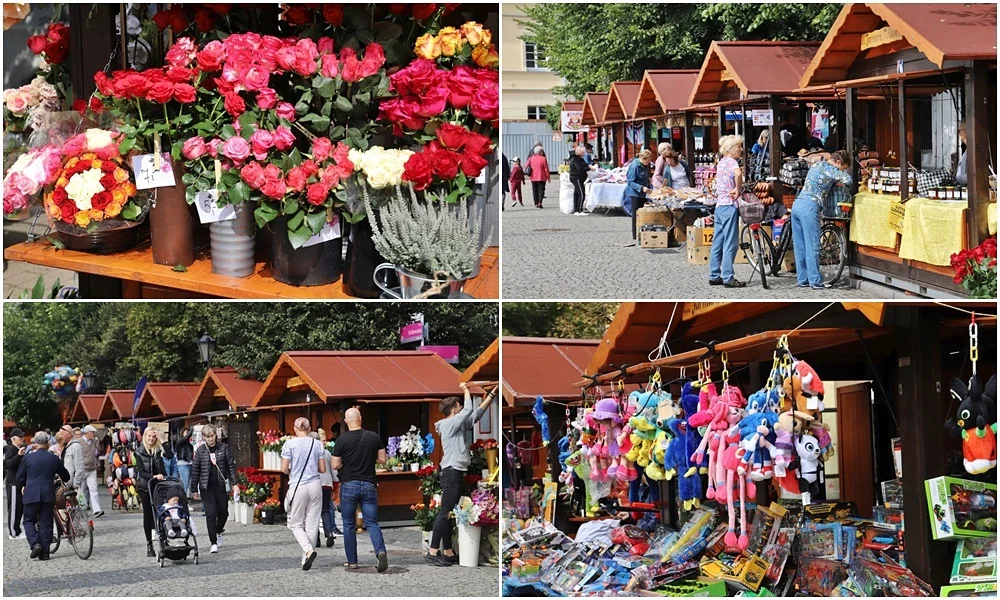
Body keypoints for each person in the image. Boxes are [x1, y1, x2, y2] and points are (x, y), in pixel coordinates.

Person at [425, 384, 496, 567]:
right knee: (445, 512)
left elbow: (475, 414)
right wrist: (465, 390)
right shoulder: (449, 424)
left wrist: (490, 396)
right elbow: (469, 409)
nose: (461, 408)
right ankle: (433, 551)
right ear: (454, 408)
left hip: (454, 471)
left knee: (449, 513)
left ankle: (448, 551)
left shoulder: (457, 425)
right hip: (451, 471)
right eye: (459, 406)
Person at [332, 408, 388, 573]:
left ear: (346, 421)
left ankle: (352, 562)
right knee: (371, 522)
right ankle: (381, 551)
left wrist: (345, 464)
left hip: (349, 484)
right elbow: (383, 459)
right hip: (369, 484)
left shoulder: (341, 440)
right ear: (361, 419)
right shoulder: (373, 437)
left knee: (349, 524)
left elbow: (334, 465)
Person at [792, 150, 853, 289]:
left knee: (800, 246)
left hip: (797, 204)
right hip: (809, 207)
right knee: (813, 245)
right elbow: (848, 180)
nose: (842, 171)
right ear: (838, 162)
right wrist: (840, 180)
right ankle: (815, 281)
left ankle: (803, 279)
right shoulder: (831, 169)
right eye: (843, 168)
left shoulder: (818, 165)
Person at [15, 432, 71, 561]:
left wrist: (26, 484)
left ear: (35, 444)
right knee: (46, 523)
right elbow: (66, 476)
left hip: (31, 493)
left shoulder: (28, 458)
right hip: (47, 494)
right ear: (47, 444)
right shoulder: (53, 458)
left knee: (28, 521)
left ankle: (35, 544)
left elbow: (19, 478)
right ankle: (45, 553)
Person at [281, 419, 326, 571]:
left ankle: (308, 550)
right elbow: (322, 468)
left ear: (295, 429)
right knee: (312, 524)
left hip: (298, 485)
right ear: (309, 428)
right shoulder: (317, 443)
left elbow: (284, 469)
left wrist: (293, 470)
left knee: (295, 523)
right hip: (315, 484)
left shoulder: (290, 444)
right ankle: (305, 558)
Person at [190, 424, 236, 554]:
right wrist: (193, 489)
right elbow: (196, 470)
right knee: (211, 513)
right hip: (206, 486)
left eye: (212, 436)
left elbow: (230, 466)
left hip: (221, 485)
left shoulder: (223, 448)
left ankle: (217, 531)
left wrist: (235, 482)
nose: (210, 439)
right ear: (203, 437)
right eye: (207, 437)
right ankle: (213, 542)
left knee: (223, 513)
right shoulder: (200, 451)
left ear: (216, 435)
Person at [709, 135, 746, 288]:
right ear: (731, 149)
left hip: (719, 206)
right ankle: (728, 277)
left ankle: (714, 274)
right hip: (730, 206)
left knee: (717, 241)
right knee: (731, 242)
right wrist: (738, 188)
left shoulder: (721, 162)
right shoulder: (732, 162)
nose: (741, 149)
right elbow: (738, 174)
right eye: (739, 146)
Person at [135, 427, 167, 557]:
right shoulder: (139, 451)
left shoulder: (158, 451)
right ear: (144, 436)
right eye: (149, 436)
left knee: (161, 511)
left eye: (154, 437)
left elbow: (169, 458)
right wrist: (153, 476)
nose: (151, 439)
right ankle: (149, 544)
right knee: (148, 513)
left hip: (158, 486)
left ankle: (163, 540)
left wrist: (163, 441)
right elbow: (140, 471)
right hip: (145, 485)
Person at [64, 424, 104, 517]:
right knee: (80, 491)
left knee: (93, 489)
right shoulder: (78, 442)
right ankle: (82, 508)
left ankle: (97, 510)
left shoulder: (94, 442)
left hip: (92, 469)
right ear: (87, 433)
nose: (94, 434)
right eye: (92, 432)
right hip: (82, 469)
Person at [315, 431, 339, 549]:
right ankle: (329, 533)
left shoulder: (311, 454)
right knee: (325, 510)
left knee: (314, 512)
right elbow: (333, 471)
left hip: (315, 484)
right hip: (327, 484)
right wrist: (335, 485)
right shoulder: (327, 453)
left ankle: (316, 538)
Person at [626, 149, 654, 239]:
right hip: (635, 194)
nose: (649, 162)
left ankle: (642, 232)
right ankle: (635, 234)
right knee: (636, 214)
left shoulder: (644, 165)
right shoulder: (634, 166)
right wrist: (641, 188)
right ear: (644, 158)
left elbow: (643, 176)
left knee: (643, 213)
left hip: (643, 193)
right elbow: (630, 182)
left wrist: (648, 179)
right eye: (648, 160)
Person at [4, 428, 26, 540]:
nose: (22, 439)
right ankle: (13, 532)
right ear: (13, 438)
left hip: (19, 482)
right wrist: (18, 455)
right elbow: (7, 464)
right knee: (14, 507)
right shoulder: (10, 449)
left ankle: (17, 530)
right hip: (13, 482)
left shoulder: (19, 449)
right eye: (20, 437)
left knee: (19, 507)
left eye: (22, 437)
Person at [569, 145, 595, 216]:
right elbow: (580, 168)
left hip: (576, 177)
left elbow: (583, 165)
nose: (584, 154)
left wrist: (587, 166)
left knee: (577, 193)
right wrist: (589, 168)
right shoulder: (576, 159)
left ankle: (576, 210)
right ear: (580, 152)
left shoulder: (577, 158)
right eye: (583, 152)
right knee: (581, 193)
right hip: (577, 177)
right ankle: (579, 210)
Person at [174, 427, 194, 496]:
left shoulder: (190, 444)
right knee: (185, 482)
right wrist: (191, 429)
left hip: (190, 463)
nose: (187, 434)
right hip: (183, 463)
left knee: (190, 482)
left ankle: (188, 497)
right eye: (186, 432)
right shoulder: (180, 441)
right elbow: (185, 438)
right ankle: (183, 497)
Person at [954, 120, 967, 185]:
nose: (959, 134)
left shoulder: (973, 152)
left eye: (960, 130)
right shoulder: (967, 150)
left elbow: (972, 176)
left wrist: (955, 179)